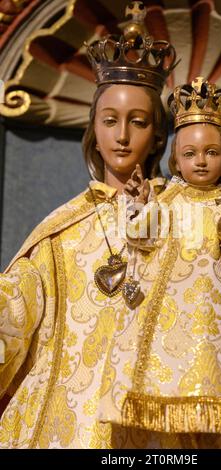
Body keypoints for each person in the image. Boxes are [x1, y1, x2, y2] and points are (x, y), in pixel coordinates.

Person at [0, 3, 184, 449]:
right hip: (70, 425)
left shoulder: (187, 215)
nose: (122, 135)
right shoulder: (59, 231)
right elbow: (13, 315)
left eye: (137, 122)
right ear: (94, 131)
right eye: (109, 120)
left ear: (157, 135)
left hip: (161, 420)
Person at [95, 78, 221, 449]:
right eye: (189, 154)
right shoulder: (168, 200)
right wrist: (140, 205)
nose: (200, 161)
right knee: (173, 409)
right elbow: (142, 238)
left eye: (211, 152)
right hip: (173, 320)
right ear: (176, 159)